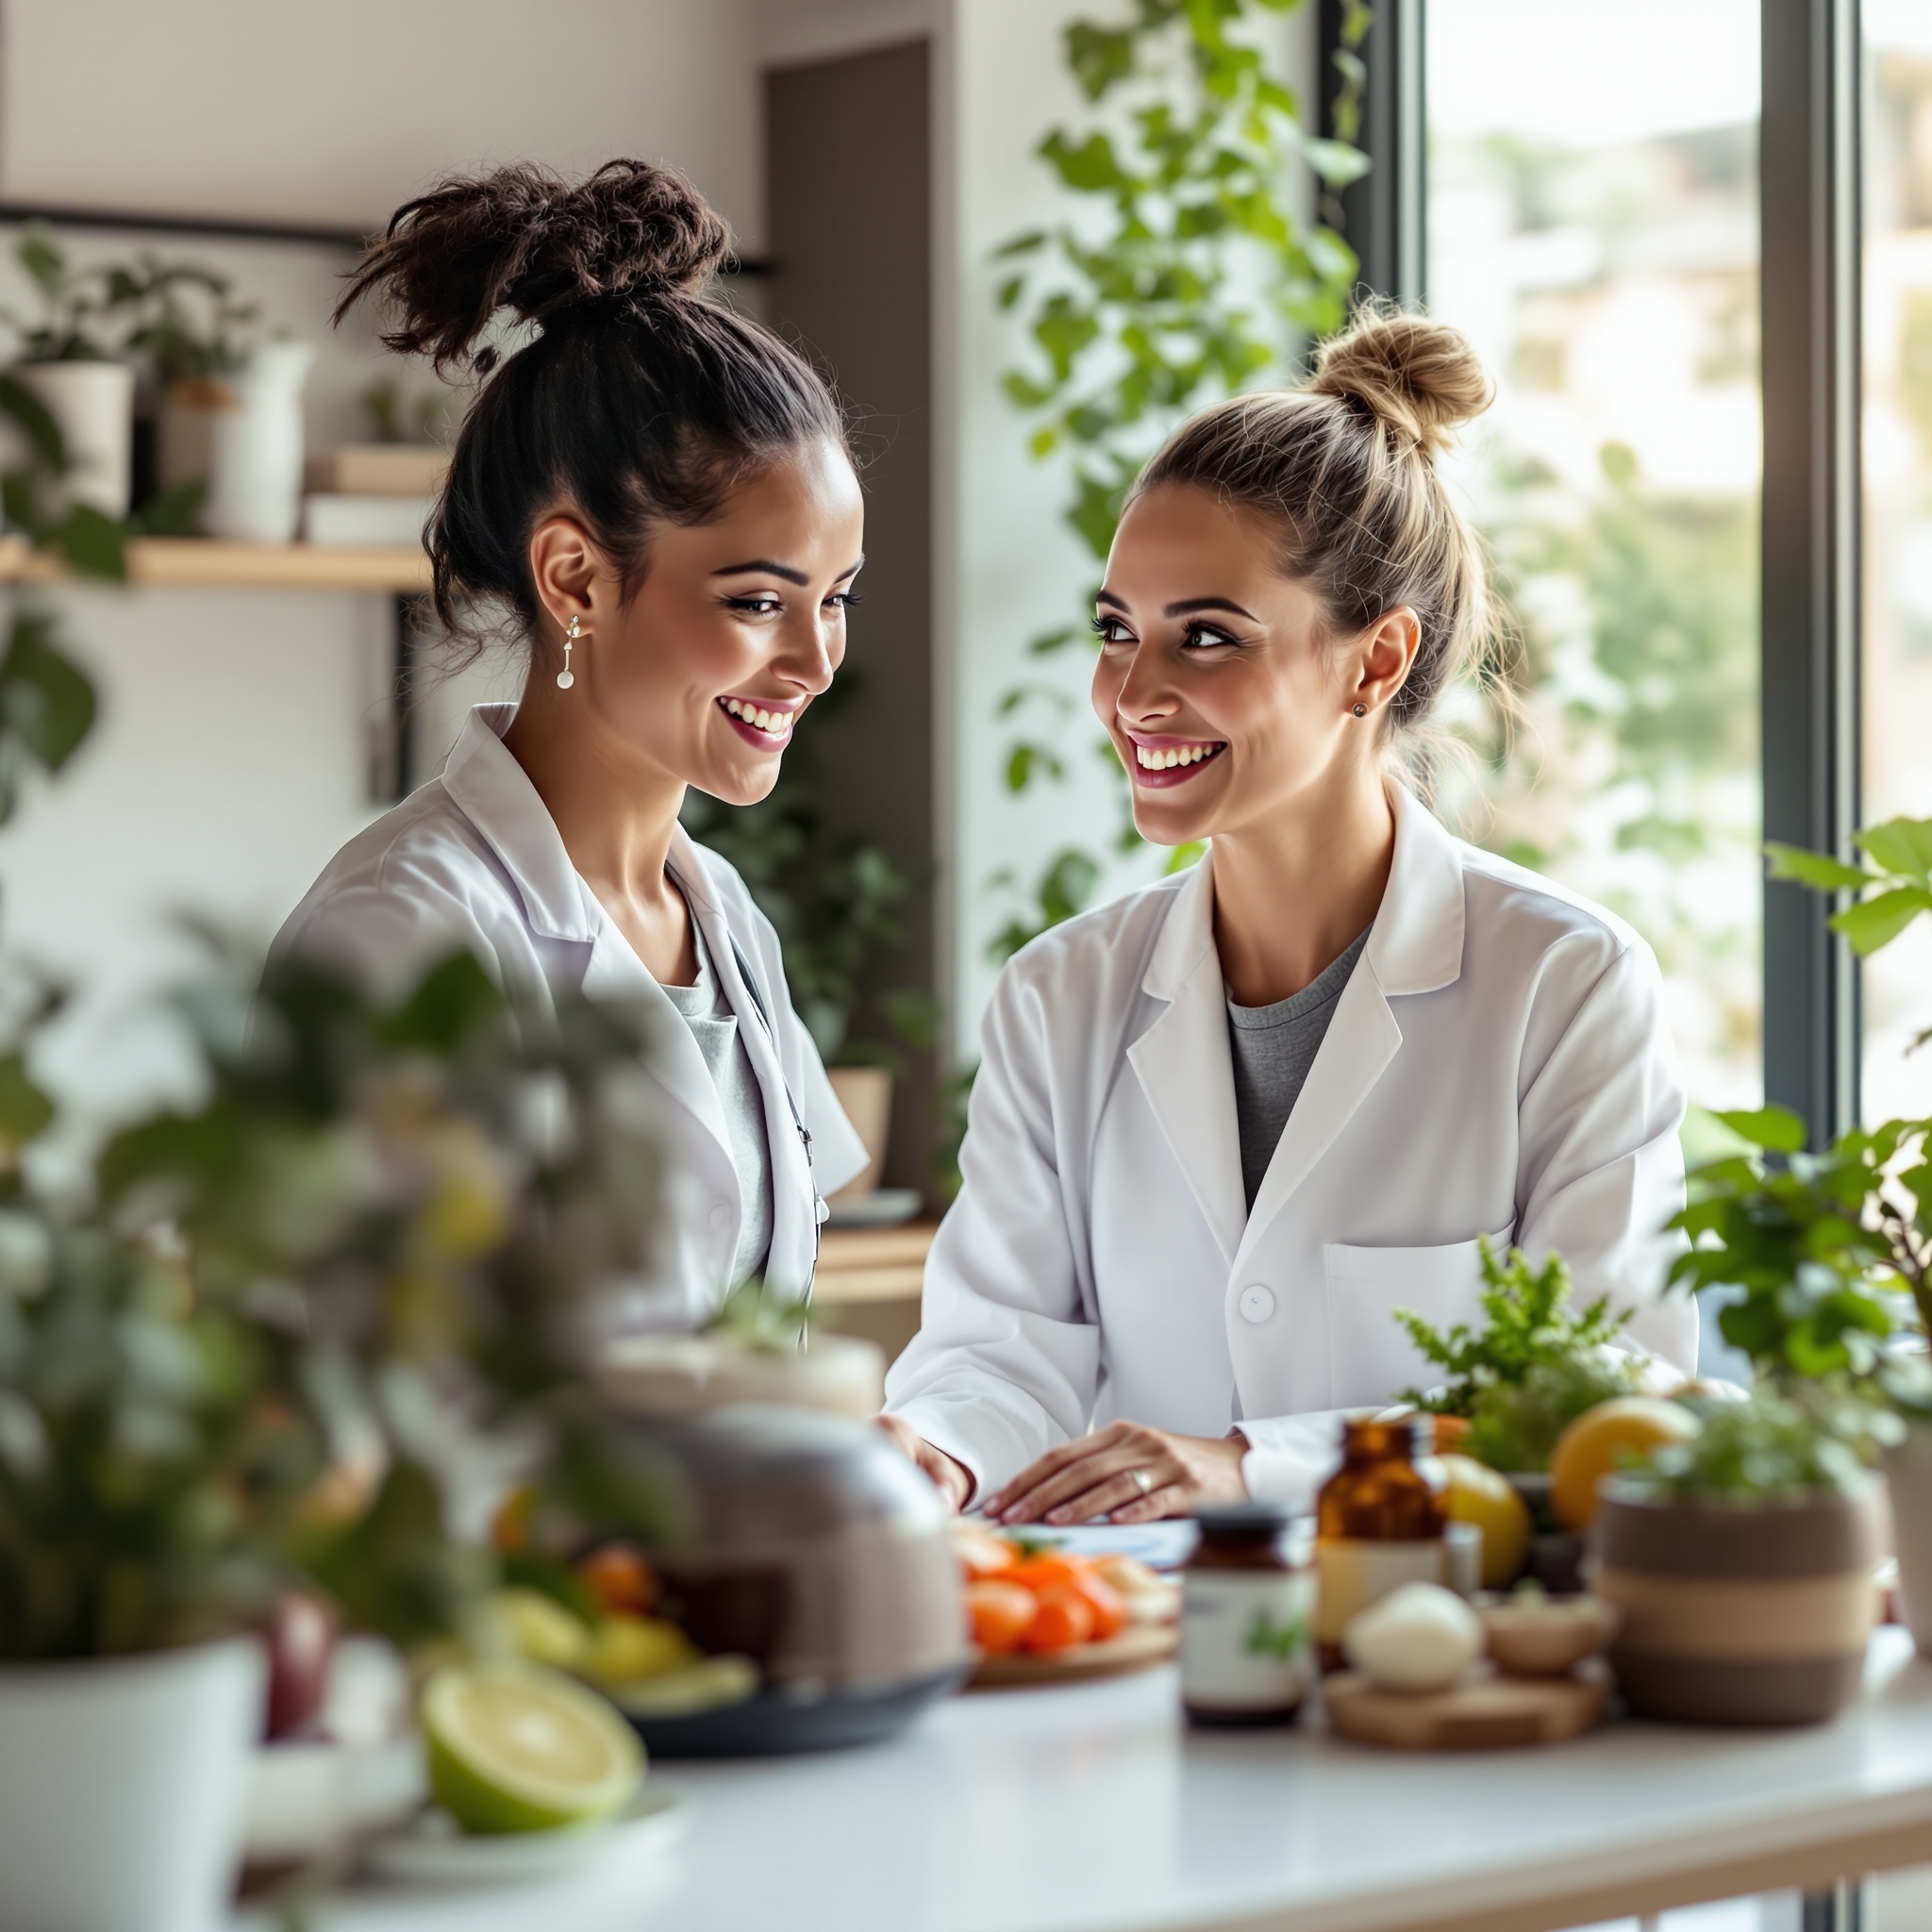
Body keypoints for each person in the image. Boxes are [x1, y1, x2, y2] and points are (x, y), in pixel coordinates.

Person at [879, 311, 1698, 1522]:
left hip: (1447, 1648)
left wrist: (1262, 1463)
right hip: (1154, 1655)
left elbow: (1603, 1395)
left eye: (1205, 635)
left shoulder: (1563, 980)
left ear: (1373, 664)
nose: (1132, 694)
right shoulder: (1060, 995)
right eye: (1117, 631)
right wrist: (930, 1447)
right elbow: (997, 1353)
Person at [274, 160, 870, 1326]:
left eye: (836, 596)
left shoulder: (724, 920)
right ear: (574, 577)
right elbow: (353, 1411)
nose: (814, 659)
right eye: (758, 601)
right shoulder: (403, 934)